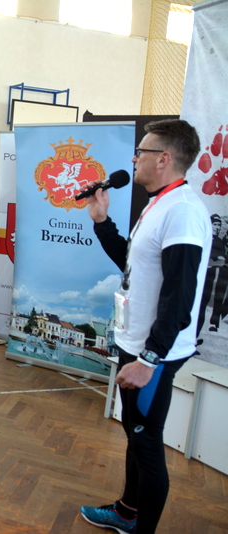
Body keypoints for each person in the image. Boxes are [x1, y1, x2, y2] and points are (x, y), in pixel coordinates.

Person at [80, 119, 211, 534]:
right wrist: (102, 221)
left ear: (164, 158)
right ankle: (126, 511)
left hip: (153, 353)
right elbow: (131, 264)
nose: (134, 159)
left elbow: (180, 297)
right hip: (135, 342)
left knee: (147, 442)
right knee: (136, 435)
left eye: (142, 152)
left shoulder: (183, 211)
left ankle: (141, 527)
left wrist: (149, 359)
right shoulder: (159, 203)